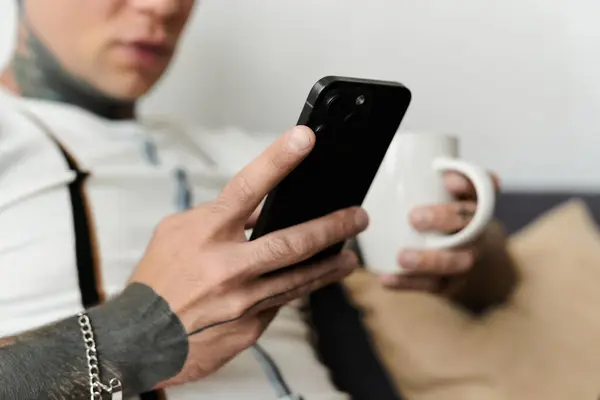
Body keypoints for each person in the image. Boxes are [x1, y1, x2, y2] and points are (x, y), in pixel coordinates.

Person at [0, 0, 505, 399]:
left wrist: (468, 252)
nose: (163, 6)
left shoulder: (254, 153)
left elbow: (489, 284)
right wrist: (128, 336)